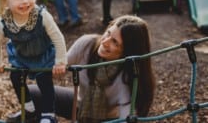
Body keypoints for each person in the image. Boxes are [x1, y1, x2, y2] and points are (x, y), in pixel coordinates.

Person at [28, 15, 156, 122]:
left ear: (127, 51)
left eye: (115, 42)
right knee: (31, 93)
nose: (105, 42)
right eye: (108, 33)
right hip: (82, 104)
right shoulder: (87, 44)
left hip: (110, 118)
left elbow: (126, 116)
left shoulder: (128, 76)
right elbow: (55, 70)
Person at [0, 0, 67, 123]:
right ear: (5, 1)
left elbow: (57, 37)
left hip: (43, 56)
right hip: (21, 58)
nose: (25, 1)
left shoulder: (42, 16)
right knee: (16, 77)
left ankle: (48, 114)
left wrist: (60, 61)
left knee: (44, 82)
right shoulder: (4, 22)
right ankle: (29, 109)